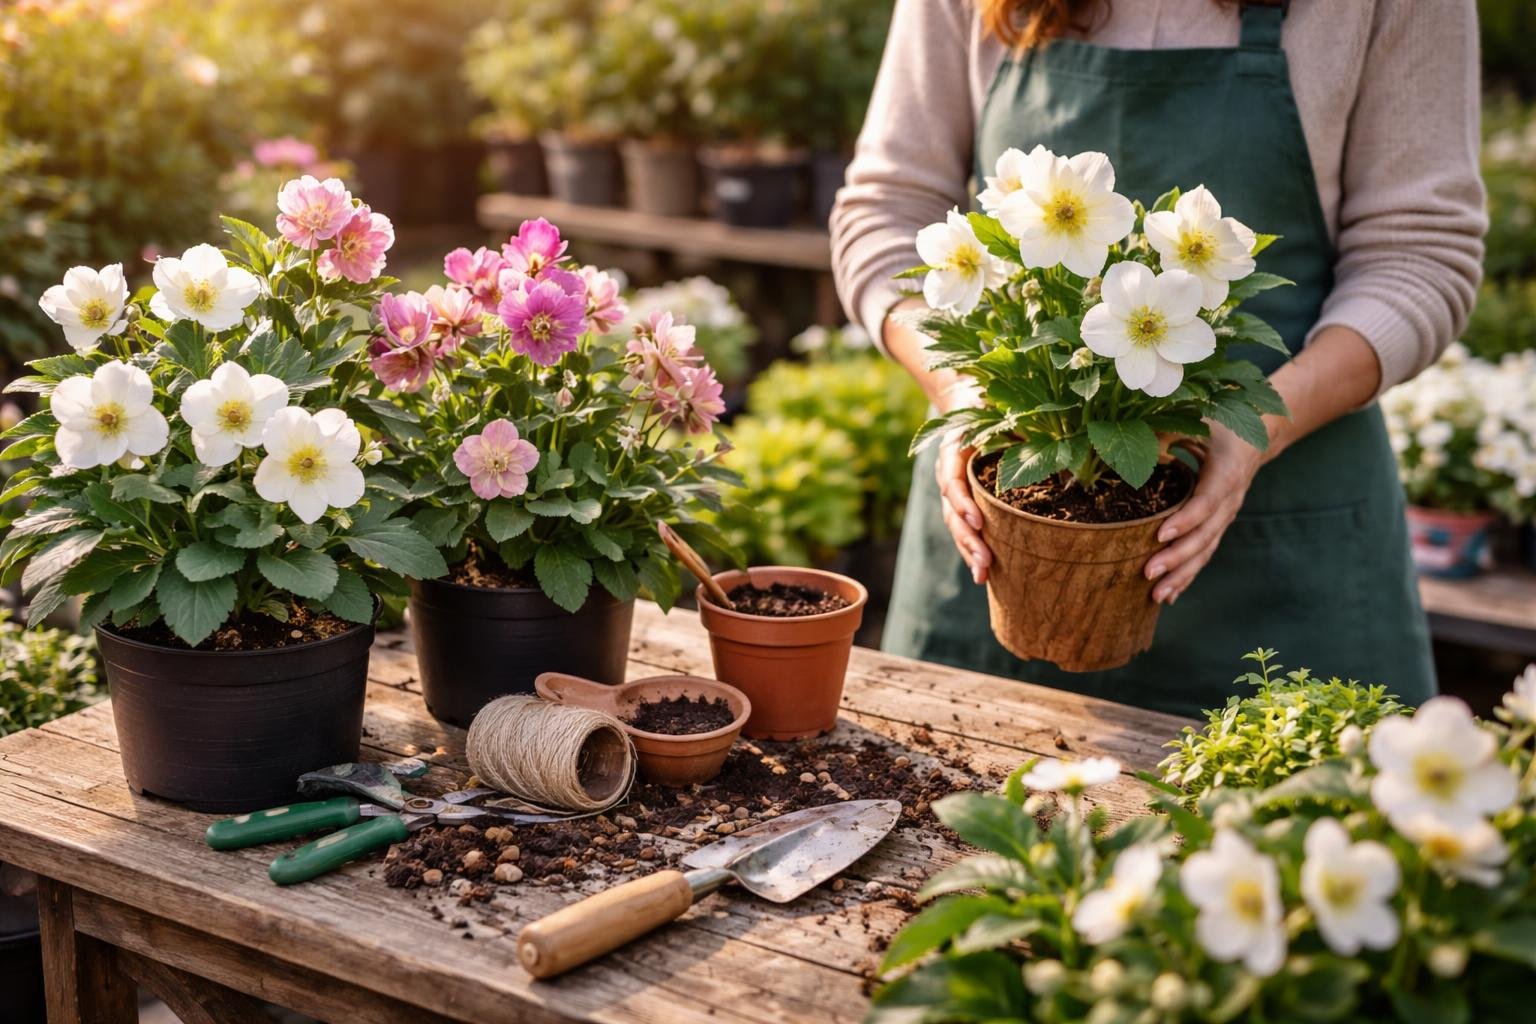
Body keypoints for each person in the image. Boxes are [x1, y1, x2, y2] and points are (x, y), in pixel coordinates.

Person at [830, 0, 1485, 716]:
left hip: (1284, 536)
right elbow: (886, 210)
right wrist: (961, 390)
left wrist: (1253, 431)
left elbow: (1420, 255)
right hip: (1008, 523)